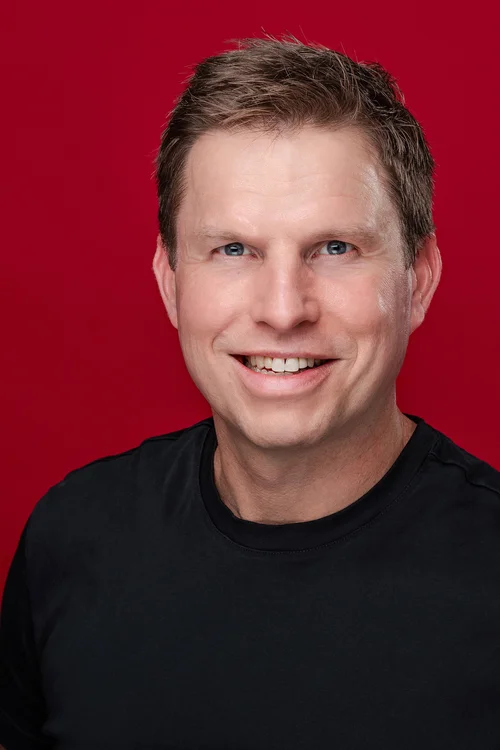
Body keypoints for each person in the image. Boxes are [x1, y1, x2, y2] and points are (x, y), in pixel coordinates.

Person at [1, 34, 499, 750]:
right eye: (233, 249)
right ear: (171, 282)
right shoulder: (72, 539)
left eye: (335, 248)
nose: (283, 309)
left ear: (417, 280)